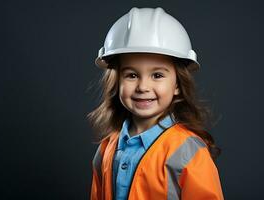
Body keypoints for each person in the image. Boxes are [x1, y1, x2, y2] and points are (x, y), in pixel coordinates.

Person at [88, 7, 224, 200]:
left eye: (157, 75)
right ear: (116, 82)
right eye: (132, 75)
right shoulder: (106, 148)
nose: (143, 86)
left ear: (177, 84)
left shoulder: (189, 151)